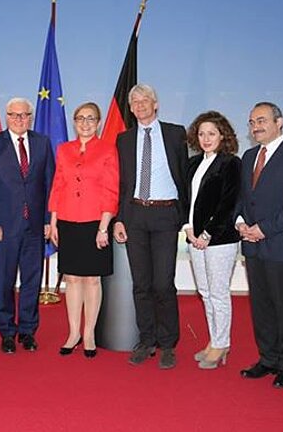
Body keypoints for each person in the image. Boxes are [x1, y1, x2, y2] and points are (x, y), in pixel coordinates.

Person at [113, 84, 188, 369]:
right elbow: (123, 183)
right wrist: (120, 218)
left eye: (145, 100)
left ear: (155, 104)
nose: (140, 105)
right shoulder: (123, 140)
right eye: (135, 102)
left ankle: (168, 344)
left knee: (163, 283)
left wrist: (186, 217)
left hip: (165, 214)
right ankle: (146, 340)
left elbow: (184, 175)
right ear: (131, 108)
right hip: (135, 216)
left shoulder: (175, 134)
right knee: (141, 284)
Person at [0, 97, 55, 353]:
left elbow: (50, 185)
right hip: (3, 228)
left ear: (30, 117)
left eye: (24, 115)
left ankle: (28, 331)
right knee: (4, 281)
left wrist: (48, 220)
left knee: (32, 281)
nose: (20, 119)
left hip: (35, 227)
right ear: (6, 116)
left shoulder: (42, 143)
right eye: (14, 115)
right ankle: (8, 332)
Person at [235, 102, 283, 388]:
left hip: (282, 245)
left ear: (279, 121)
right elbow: (242, 197)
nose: (255, 127)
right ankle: (268, 358)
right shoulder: (249, 156)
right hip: (252, 246)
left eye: (261, 120)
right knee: (260, 307)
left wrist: (264, 229)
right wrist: (240, 222)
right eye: (252, 122)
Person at [48, 102, 118, 358]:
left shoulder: (108, 149)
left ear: (98, 123)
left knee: (92, 279)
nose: (85, 123)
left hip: (95, 222)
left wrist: (104, 227)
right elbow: (58, 185)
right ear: (74, 122)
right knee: (72, 278)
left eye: (91, 118)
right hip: (67, 221)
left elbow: (111, 189)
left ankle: (89, 334)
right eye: (80, 118)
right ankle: (73, 332)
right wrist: (53, 221)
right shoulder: (64, 149)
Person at [183, 111, 241, 370]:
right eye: (201, 134)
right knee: (205, 293)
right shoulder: (193, 163)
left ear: (223, 136)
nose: (206, 139)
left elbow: (228, 203)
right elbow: (187, 200)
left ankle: (222, 343)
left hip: (220, 239)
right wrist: (188, 229)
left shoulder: (230, 163)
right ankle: (214, 341)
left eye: (212, 134)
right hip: (194, 238)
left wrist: (207, 233)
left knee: (218, 293)